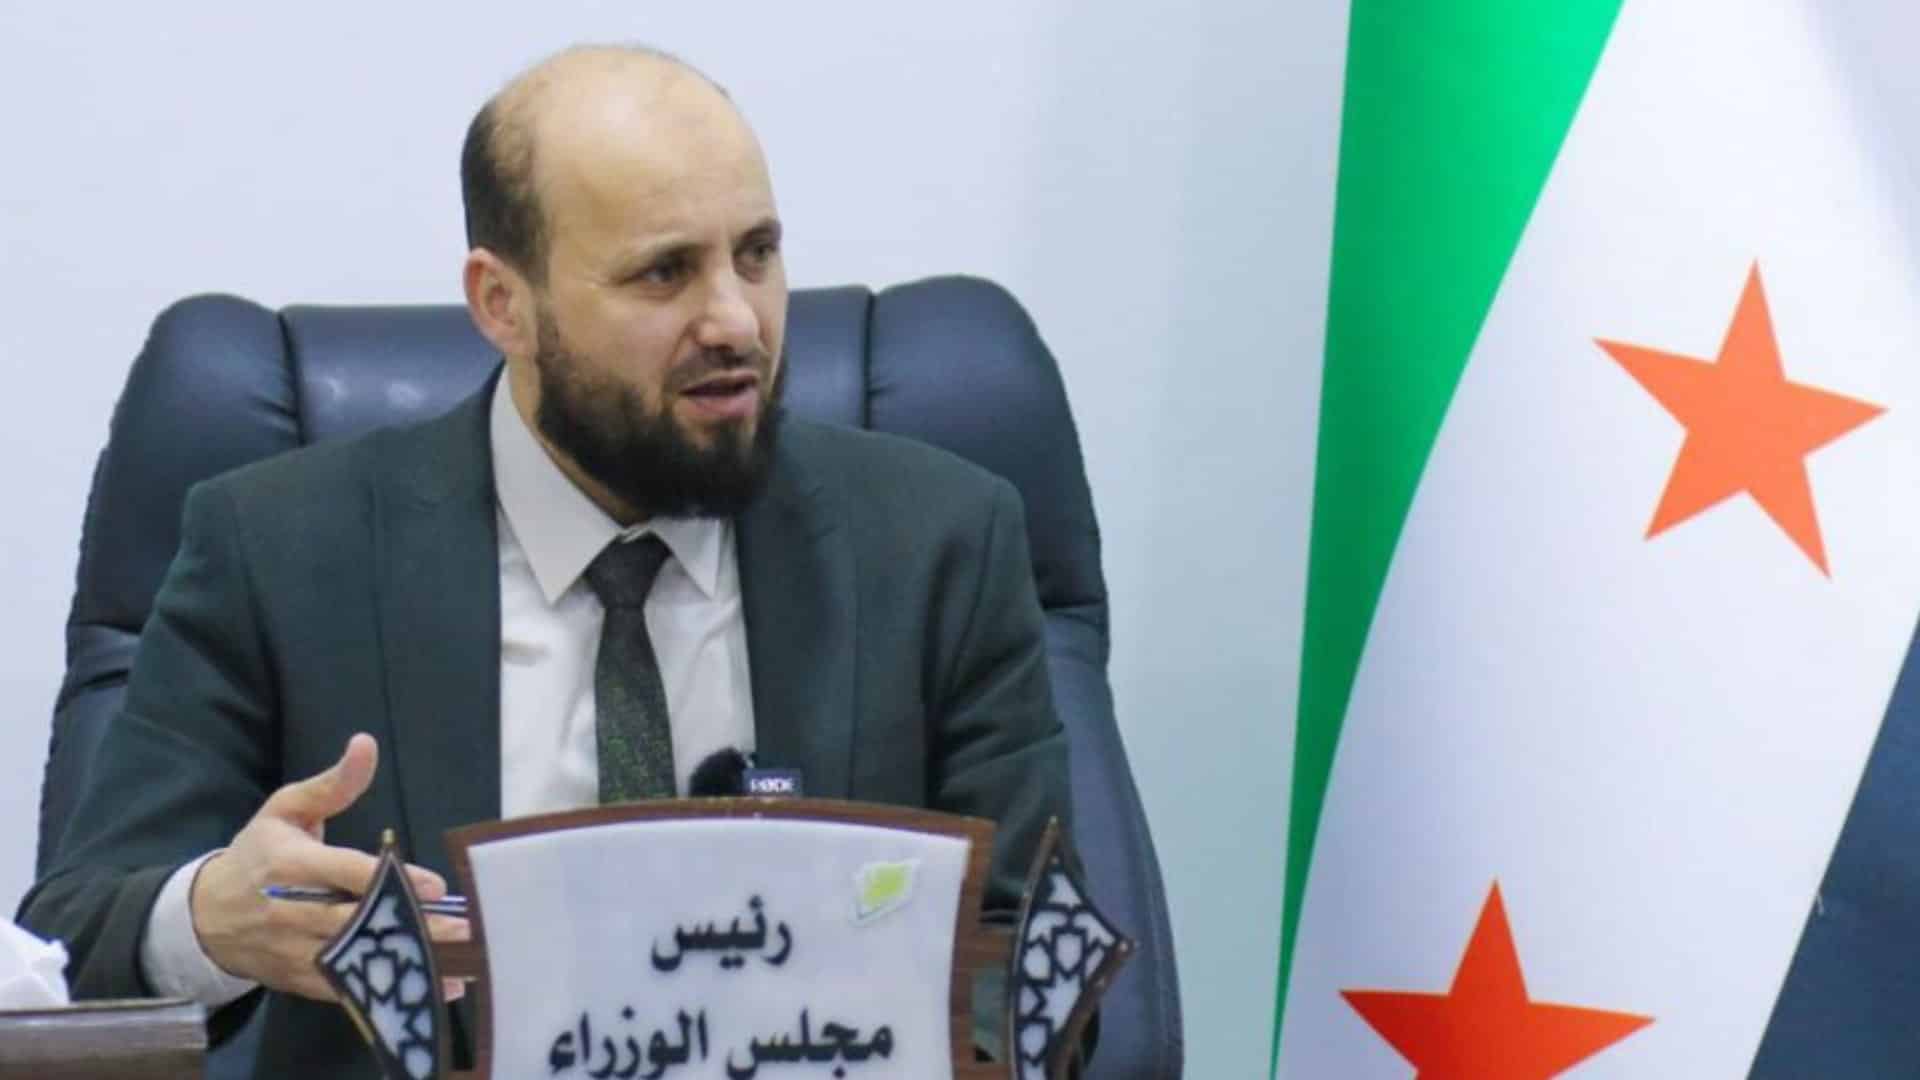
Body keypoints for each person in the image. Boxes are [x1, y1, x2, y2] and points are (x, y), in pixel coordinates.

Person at [19, 44, 1071, 1077]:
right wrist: (211, 920)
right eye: (665, 272)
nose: (736, 321)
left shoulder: (938, 543)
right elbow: (73, 943)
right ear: (502, 304)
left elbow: (1031, 958)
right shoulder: (281, 551)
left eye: (756, 254)